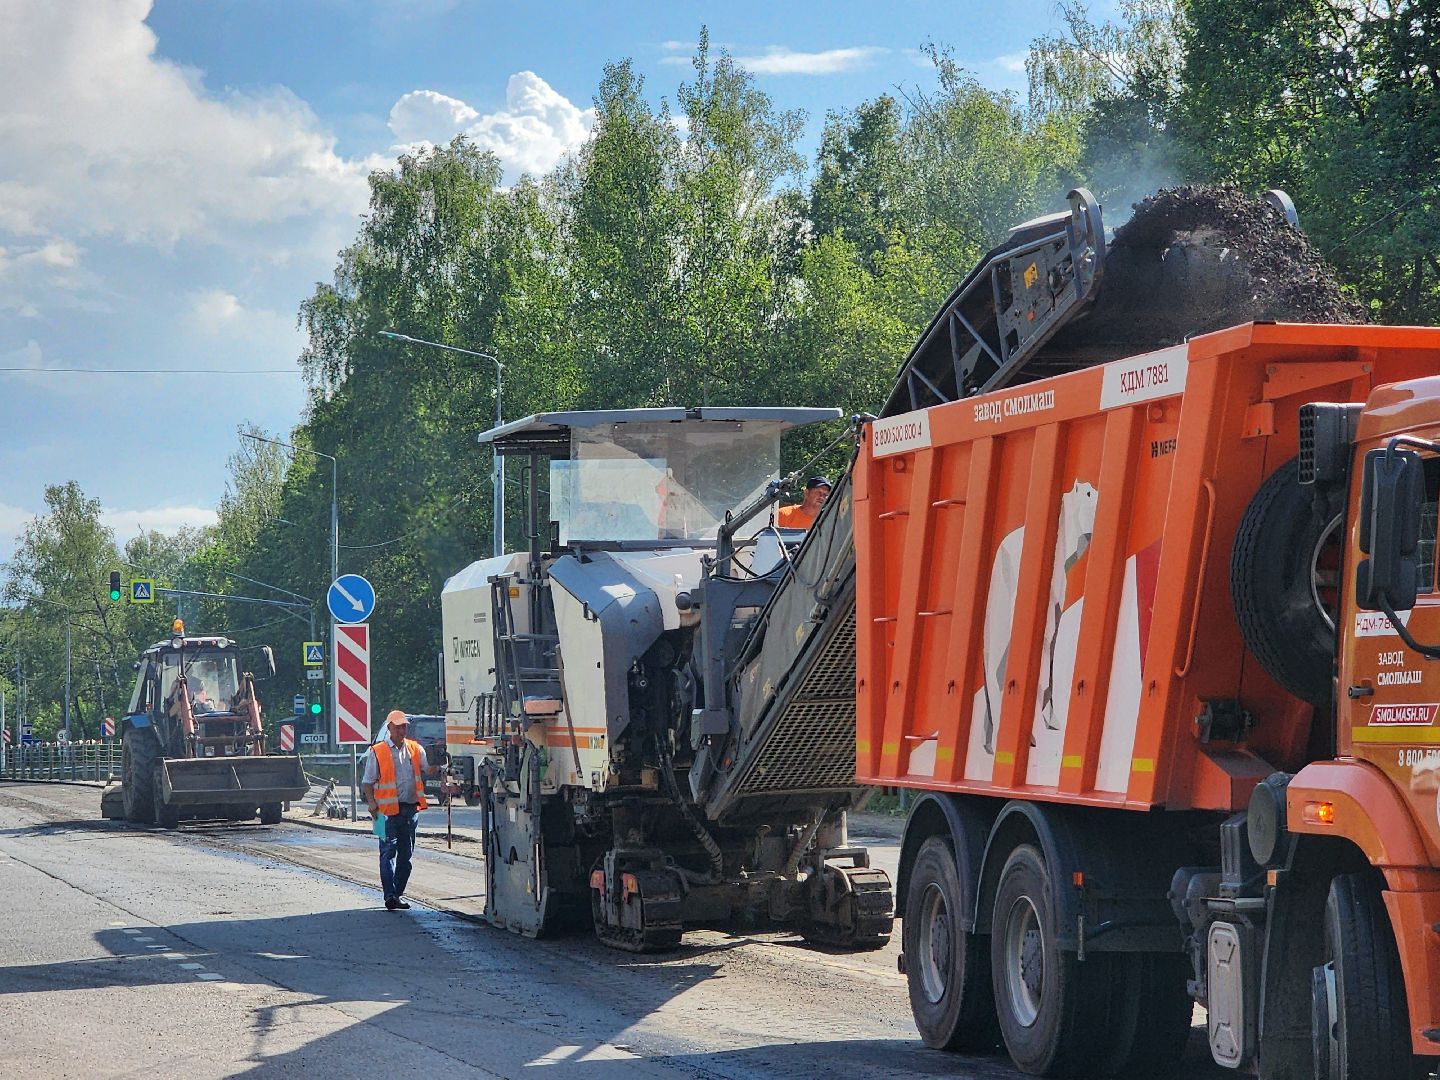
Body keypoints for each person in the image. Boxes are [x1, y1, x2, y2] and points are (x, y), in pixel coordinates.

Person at [360, 710, 431, 910]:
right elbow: (367, 782)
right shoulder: (378, 751)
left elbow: (428, 769)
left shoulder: (415, 749)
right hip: (383, 812)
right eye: (398, 726)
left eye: (404, 726)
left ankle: (397, 895)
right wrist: (372, 803)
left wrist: (443, 761)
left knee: (406, 856)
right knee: (387, 852)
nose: (402, 730)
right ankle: (390, 896)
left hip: (410, 811)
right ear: (389, 727)